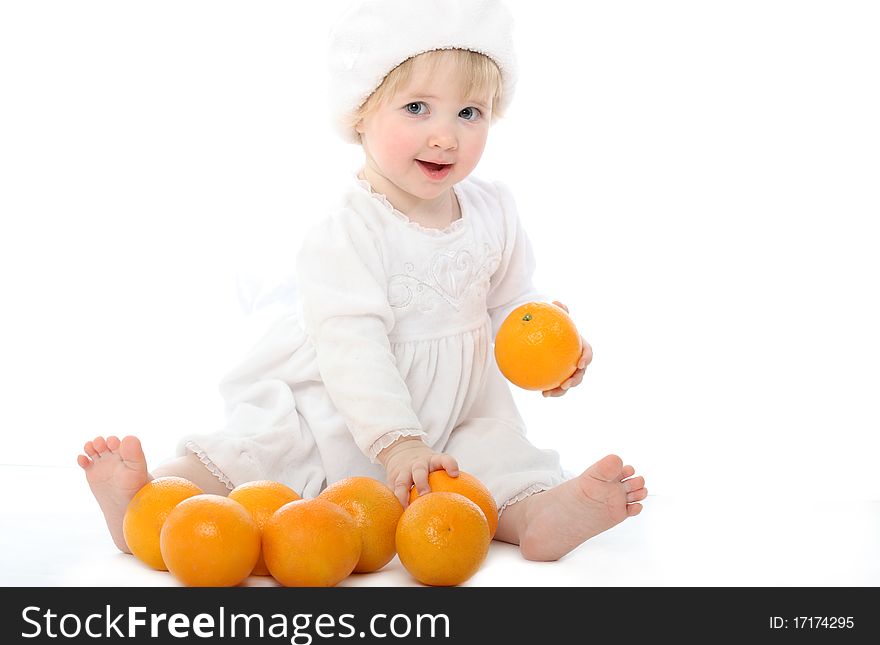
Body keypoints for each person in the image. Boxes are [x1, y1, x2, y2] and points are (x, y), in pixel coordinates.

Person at [77, 0, 646, 563]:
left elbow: (512, 300)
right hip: (341, 403)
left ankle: (542, 515)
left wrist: (553, 345)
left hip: (458, 405)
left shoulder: (493, 208)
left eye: (469, 113)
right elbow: (352, 346)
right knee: (262, 460)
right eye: (418, 107)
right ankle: (146, 503)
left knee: (496, 455)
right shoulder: (347, 229)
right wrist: (397, 441)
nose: (446, 135)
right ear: (360, 115)